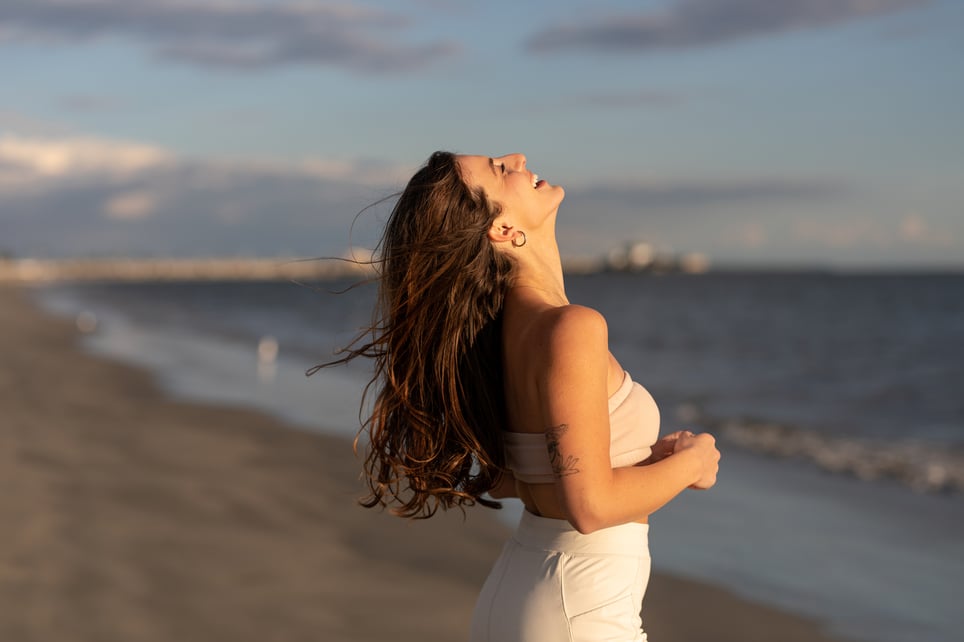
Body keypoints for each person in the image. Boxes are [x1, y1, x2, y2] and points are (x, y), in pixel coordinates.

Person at [327, 151, 721, 642]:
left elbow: (509, 479)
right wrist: (692, 465)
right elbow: (591, 507)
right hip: (578, 608)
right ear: (502, 229)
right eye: (498, 168)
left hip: (527, 593)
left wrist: (639, 461)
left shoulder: (498, 333)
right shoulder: (571, 328)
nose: (518, 158)